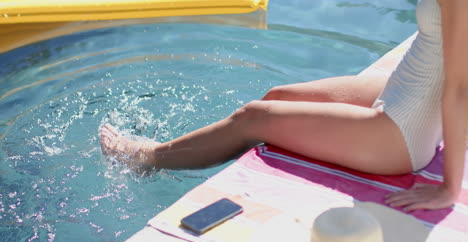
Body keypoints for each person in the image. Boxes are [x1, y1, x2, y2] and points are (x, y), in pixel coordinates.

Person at [100, 0, 467, 212]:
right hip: (407, 95)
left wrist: (450, 188)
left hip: (401, 132)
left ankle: (148, 158)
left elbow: (460, 88)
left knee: (252, 118)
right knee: (277, 97)